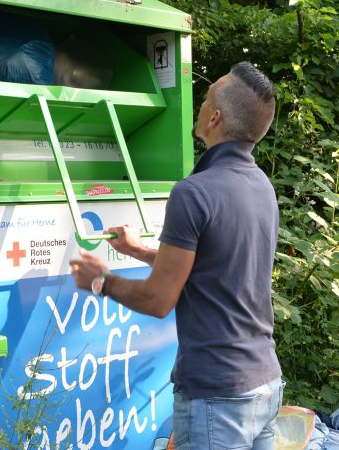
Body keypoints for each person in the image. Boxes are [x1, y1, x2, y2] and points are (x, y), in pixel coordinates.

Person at [70, 61, 283, 449]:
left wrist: (99, 280)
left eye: (204, 100)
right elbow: (212, 266)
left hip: (217, 398)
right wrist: (137, 250)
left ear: (215, 118)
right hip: (264, 385)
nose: (200, 106)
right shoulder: (261, 187)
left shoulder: (193, 192)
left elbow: (158, 299)